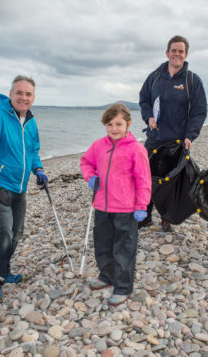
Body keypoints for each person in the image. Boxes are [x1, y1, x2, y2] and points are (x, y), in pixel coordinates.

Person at [0, 75, 48, 303]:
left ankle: (1, 272)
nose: (23, 98)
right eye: (19, 93)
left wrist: (39, 169)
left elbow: (33, 151)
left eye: (28, 94)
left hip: (19, 187)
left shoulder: (31, 122)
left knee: (16, 233)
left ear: (33, 97)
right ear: (11, 94)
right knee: (3, 230)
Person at [80, 103, 152, 306]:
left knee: (124, 250)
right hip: (102, 206)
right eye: (110, 124)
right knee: (103, 245)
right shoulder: (99, 145)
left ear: (128, 124)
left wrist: (141, 206)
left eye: (118, 124)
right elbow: (86, 162)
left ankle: (123, 287)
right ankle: (106, 276)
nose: (114, 129)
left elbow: (144, 180)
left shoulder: (136, 149)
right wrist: (90, 177)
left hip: (126, 209)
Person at [139, 35, 207, 232]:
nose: (177, 54)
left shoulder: (192, 80)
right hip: (154, 138)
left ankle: (167, 218)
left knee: (171, 182)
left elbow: (199, 111)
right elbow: (143, 100)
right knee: (146, 177)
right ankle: (143, 217)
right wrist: (148, 117)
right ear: (167, 52)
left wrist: (190, 135)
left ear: (185, 55)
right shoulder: (154, 77)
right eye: (174, 50)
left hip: (177, 141)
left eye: (181, 51)